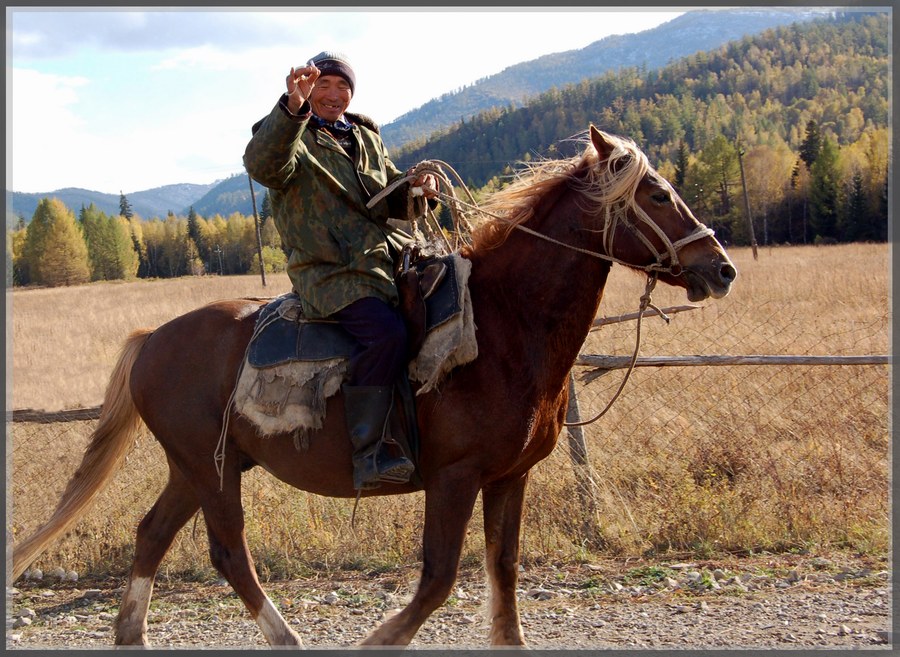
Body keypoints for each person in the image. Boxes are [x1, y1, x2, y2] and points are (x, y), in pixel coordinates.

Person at [243, 51, 437, 491]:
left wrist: (419, 190)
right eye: (323, 85)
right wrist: (293, 108)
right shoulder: (288, 134)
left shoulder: (365, 137)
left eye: (342, 86)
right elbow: (265, 166)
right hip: (330, 271)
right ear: (307, 88)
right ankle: (369, 452)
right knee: (386, 333)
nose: (334, 95)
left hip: (386, 257)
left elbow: (389, 197)